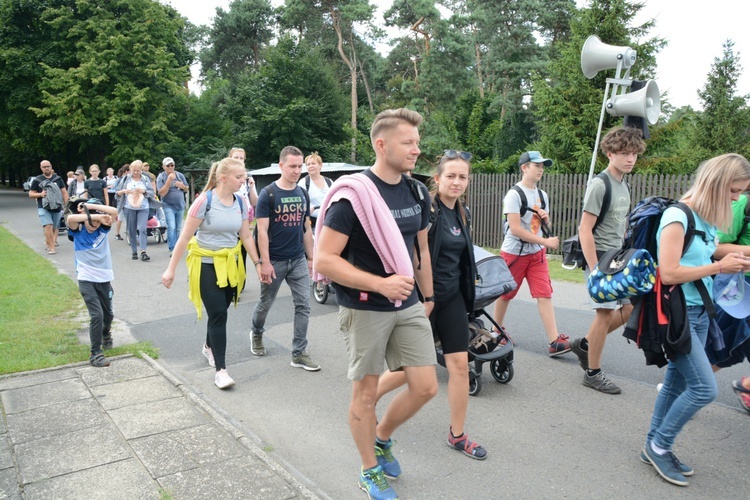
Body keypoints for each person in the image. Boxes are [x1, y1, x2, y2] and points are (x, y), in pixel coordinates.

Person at [314, 108, 437, 500]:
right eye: (408, 143)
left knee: (425, 386)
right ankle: (369, 470)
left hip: (408, 302)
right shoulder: (353, 196)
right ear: (381, 145)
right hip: (365, 306)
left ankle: (382, 437)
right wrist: (381, 284)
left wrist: (428, 295)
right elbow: (324, 260)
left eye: (417, 142)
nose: (417, 150)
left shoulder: (417, 191)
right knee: (364, 396)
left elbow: (419, 251)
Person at [640, 153, 750, 486]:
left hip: (701, 311)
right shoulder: (677, 216)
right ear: (717, 185)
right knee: (704, 389)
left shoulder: (706, 218)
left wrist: (735, 256)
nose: (737, 198)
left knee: (677, 381)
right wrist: (720, 267)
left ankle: (652, 445)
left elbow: (709, 249)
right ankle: (661, 445)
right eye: (733, 191)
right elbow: (669, 272)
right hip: (678, 315)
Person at [375, 149, 487, 462]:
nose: (457, 181)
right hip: (423, 299)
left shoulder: (463, 212)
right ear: (437, 179)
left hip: (452, 298)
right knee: (407, 371)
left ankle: (458, 434)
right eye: (450, 175)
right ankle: (367, 399)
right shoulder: (427, 210)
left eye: (462, 176)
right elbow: (411, 253)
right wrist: (422, 298)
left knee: (460, 366)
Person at [162, 157, 264, 388]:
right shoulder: (204, 202)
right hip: (206, 264)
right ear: (223, 178)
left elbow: (246, 235)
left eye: (244, 176)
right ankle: (221, 371)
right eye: (239, 177)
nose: (243, 181)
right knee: (219, 314)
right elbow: (185, 238)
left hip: (231, 264)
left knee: (220, 311)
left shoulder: (240, 203)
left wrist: (258, 264)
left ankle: (209, 346)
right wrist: (170, 270)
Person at [569, 127, 645, 395]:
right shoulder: (600, 184)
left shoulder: (623, 183)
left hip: (617, 258)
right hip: (600, 258)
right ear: (610, 153)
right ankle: (593, 373)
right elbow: (584, 229)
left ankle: (586, 344)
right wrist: (594, 270)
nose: (630, 158)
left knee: (629, 309)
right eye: (624, 153)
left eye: (634, 153)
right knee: (604, 313)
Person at [250, 146, 320, 371]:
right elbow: (261, 231)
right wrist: (265, 262)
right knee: (265, 303)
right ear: (281, 166)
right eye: (292, 166)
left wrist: (311, 258)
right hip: (275, 260)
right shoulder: (268, 194)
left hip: (298, 258)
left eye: (300, 166)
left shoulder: (302, 193)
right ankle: (257, 332)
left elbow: (306, 228)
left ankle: (299, 353)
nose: (297, 170)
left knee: (303, 305)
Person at [494, 151, 569, 357]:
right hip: (515, 253)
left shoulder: (542, 195)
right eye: (537, 165)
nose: (541, 169)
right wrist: (545, 242)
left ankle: (554, 342)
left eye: (543, 166)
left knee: (544, 293)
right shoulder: (514, 194)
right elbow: (516, 229)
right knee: (506, 293)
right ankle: (496, 331)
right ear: (524, 168)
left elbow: (543, 226)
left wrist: (546, 220)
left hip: (537, 254)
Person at [65, 197, 118, 367]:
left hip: (104, 279)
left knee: (108, 315)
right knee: (97, 315)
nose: (95, 223)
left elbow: (115, 212)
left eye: (98, 218)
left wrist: (92, 208)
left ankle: (105, 333)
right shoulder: (77, 231)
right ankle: (96, 353)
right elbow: (70, 219)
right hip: (86, 279)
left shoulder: (103, 230)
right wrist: (89, 213)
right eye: (92, 219)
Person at [116, 160, 153, 261]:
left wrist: (144, 191)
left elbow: (151, 193)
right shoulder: (125, 179)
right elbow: (117, 193)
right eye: (134, 170)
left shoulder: (145, 179)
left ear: (141, 170)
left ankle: (143, 251)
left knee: (142, 229)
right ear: (130, 170)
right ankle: (134, 251)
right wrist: (124, 191)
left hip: (143, 207)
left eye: (138, 170)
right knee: (132, 230)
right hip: (129, 207)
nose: (136, 172)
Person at [29, 160, 69, 254]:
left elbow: (64, 192)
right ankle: (52, 248)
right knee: (48, 225)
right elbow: (31, 194)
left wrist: (67, 205)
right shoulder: (37, 180)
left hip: (57, 207)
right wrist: (40, 194)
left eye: (48, 166)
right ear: (41, 168)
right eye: (44, 167)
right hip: (43, 207)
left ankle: (49, 242)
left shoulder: (58, 179)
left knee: (55, 227)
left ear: (51, 167)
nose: (47, 168)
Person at [157, 157, 190, 255]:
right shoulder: (161, 177)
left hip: (180, 205)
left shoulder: (180, 175)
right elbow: (162, 193)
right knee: (171, 227)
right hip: (168, 206)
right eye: (168, 165)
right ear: (163, 167)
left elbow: (187, 188)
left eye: (172, 165)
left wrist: (182, 186)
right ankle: (173, 249)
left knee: (178, 228)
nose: (170, 167)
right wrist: (169, 180)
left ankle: (177, 246)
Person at [299, 152, 333, 229]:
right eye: (308, 164)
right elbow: (300, 203)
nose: (310, 166)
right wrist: (307, 209)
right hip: (312, 223)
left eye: (313, 163)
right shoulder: (303, 183)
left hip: (330, 221)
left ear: (320, 165)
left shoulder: (329, 181)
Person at [113, 164, 130, 240]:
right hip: (121, 202)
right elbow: (116, 191)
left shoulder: (130, 179)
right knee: (120, 218)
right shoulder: (120, 180)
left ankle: (129, 232)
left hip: (129, 202)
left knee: (128, 219)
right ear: (126, 171)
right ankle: (117, 234)